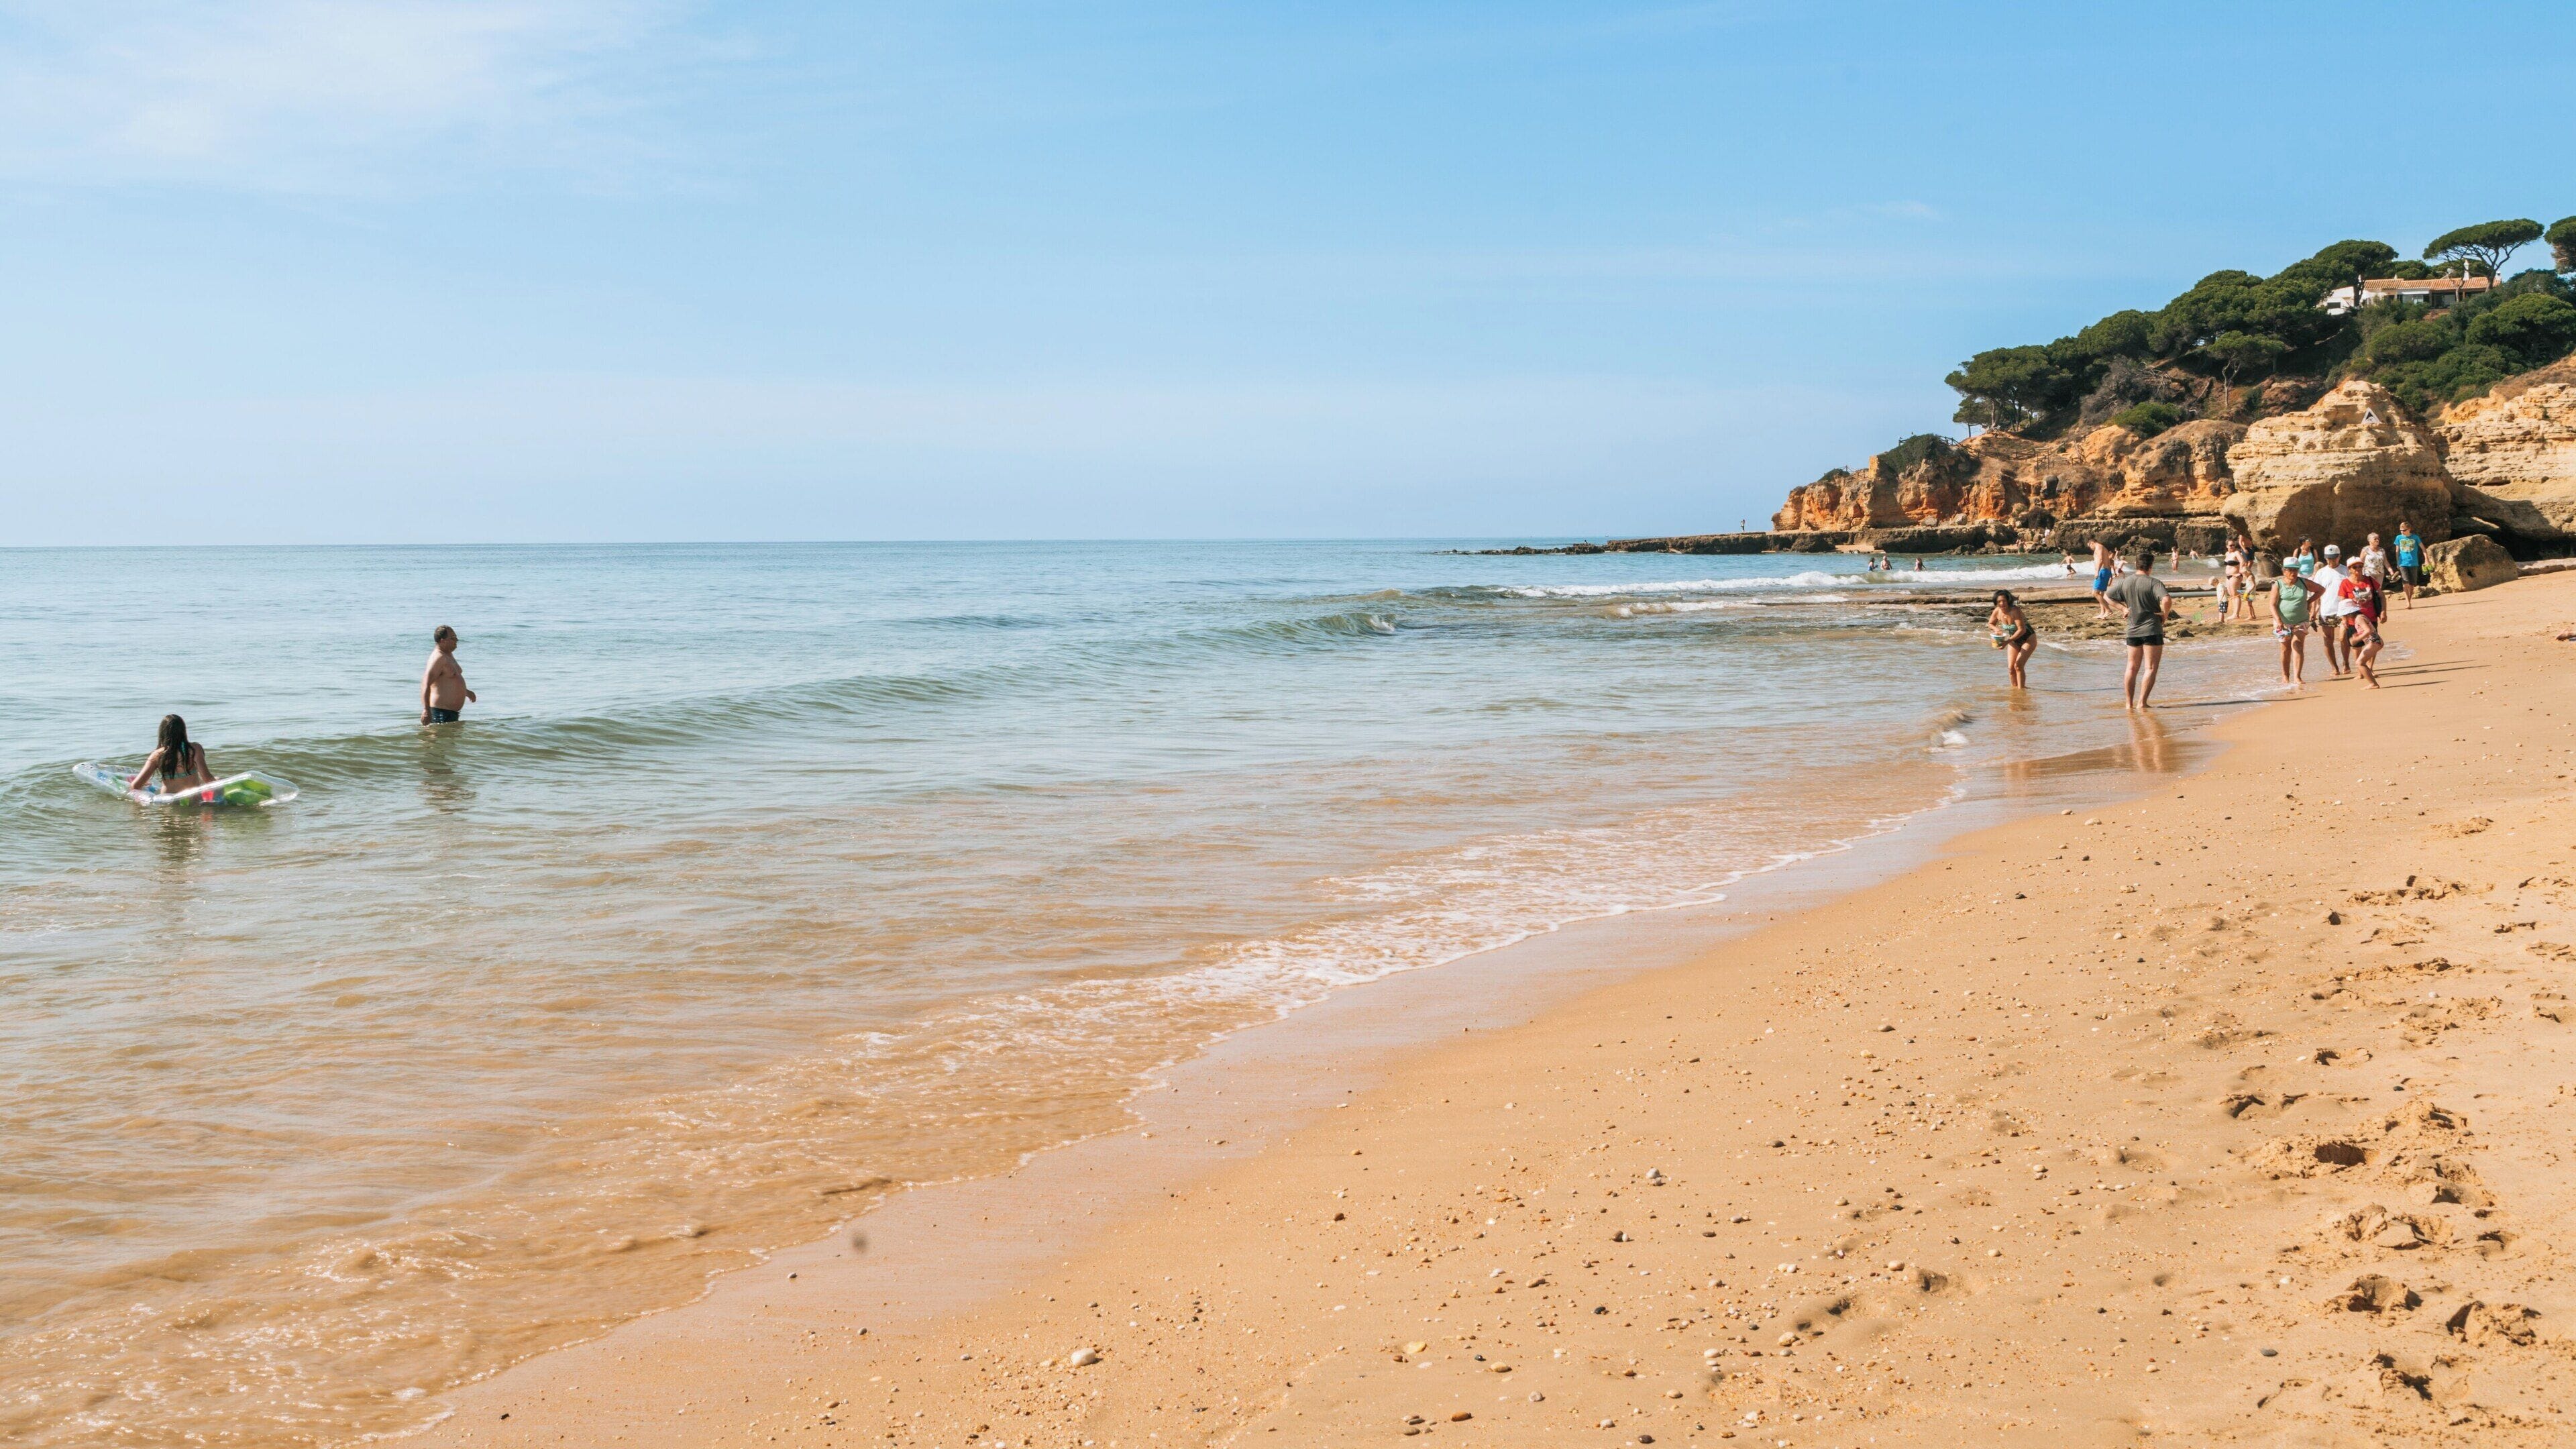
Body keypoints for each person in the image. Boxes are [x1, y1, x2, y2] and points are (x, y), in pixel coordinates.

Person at [2104, 547, 2172, 709]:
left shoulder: (2126, 582)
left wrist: (2123, 609)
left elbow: (2107, 596)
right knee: (2150, 668)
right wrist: (2165, 614)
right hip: (2152, 630)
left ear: (2136, 564)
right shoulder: (2154, 582)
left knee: (2131, 667)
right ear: (2151, 567)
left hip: (2132, 630)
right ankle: (2142, 703)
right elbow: (2167, 599)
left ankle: (2129, 704)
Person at [127, 714, 215, 795]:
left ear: (163, 733)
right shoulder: (195, 749)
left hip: (167, 801)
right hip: (191, 798)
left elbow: (135, 786)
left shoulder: (157, 755)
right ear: (183, 731)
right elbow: (207, 779)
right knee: (217, 779)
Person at [2271, 562, 2325, 687]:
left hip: (2301, 620)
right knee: (2285, 648)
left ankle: (2297, 677)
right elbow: (2272, 605)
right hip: (2282, 622)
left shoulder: (2303, 583)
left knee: (2298, 645)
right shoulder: (2278, 585)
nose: (2293, 573)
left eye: (2295, 570)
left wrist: (2309, 601)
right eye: (2290, 570)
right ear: (2284, 571)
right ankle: (2285, 675)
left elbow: (2321, 590)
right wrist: (2279, 620)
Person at [2310, 545, 2353, 678]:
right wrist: (2313, 612)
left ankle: (2346, 662)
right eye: (2328, 559)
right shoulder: (2321, 573)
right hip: (2326, 610)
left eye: (2333, 558)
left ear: (2339, 556)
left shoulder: (2346, 571)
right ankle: (2334, 667)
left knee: (2343, 638)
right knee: (2328, 640)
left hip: (2344, 611)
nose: (2331, 561)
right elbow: (2316, 593)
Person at [421, 626, 477, 724]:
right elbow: (425, 684)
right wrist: (426, 710)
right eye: (453, 638)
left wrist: (466, 692)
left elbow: (449, 681)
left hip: (450, 713)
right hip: (440, 713)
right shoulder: (438, 658)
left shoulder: (448, 654)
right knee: (441, 739)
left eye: (456, 637)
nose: (457, 640)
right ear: (443, 641)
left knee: (451, 740)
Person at [2340, 565, 2385, 688]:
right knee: (2360, 662)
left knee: (2360, 662)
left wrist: (2357, 639)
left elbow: (2369, 630)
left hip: (2374, 642)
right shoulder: (2358, 618)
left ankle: (2373, 684)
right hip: (2374, 642)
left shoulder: (2359, 618)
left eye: (2345, 615)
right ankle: (2372, 683)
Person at [1988, 589, 2037, 689]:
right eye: (1999, 602)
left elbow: (2022, 630)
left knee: (2018, 665)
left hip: (2028, 638)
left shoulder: (2015, 611)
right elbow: (1990, 624)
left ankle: (2021, 691)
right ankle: (2015, 693)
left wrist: (2007, 642)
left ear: (2009, 601)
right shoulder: (1997, 611)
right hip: (2013, 640)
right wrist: (1996, 629)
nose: (2002, 604)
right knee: (2011, 669)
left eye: (2004, 601)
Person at [2393, 521, 2424, 609]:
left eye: (2404, 530)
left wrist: (2427, 559)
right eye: (2401, 530)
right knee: (2405, 582)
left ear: (2409, 529)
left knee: (2412, 584)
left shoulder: (2415, 537)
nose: (2402, 532)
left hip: (2414, 563)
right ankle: (2407, 602)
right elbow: (2397, 551)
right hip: (2403, 563)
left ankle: (2409, 601)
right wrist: (2397, 562)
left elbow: (2423, 548)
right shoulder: (2399, 538)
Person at [2090, 540, 2117, 619]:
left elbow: (2101, 560)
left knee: (2095, 593)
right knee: (2101, 594)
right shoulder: (2103, 548)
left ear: (2092, 543)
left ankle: (2108, 610)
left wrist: (2097, 571)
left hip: (2102, 571)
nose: (2091, 548)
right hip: (2105, 571)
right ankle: (2103, 613)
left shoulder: (2099, 547)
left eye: (2090, 546)